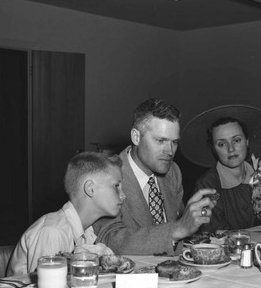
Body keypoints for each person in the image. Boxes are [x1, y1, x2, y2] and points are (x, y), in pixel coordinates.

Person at [93, 98, 217, 256]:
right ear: (136, 137)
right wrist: (177, 229)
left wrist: (194, 218)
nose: (170, 151)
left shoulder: (173, 172)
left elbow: (181, 234)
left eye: (174, 142)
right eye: (161, 141)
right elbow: (110, 241)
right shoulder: (105, 175)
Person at [7, 152, 125, 275]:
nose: (123, 195)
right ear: (90, 189)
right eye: (116, 186)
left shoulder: (87, 232)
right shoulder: (53, 232)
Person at [179, 105, 261, 232]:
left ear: (247, 141)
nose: (230, 149)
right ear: (214, 149)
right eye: (222, 144)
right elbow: (216, 235)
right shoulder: (207, 185)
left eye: (236, 140)